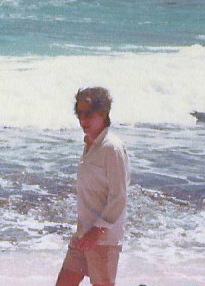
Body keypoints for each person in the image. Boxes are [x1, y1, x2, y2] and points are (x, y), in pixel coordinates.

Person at [54, 86, 130, 286]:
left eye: (88, 114)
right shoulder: (89, 144)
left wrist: (97, 231)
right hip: (83, 235)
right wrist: (87, 233)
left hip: (103, 240)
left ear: (103, 113)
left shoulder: (112, 148)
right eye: (79, 114)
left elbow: (119, 197)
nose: (82, 120)